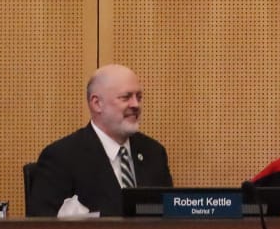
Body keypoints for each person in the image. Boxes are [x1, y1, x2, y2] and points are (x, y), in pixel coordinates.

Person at [27, 64, 173, 217]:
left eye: (139, 97)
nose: (136, 104)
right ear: (97, 103)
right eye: (126, 97)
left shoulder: (154, 152)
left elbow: (168, 216)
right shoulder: (61, 157)